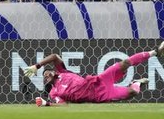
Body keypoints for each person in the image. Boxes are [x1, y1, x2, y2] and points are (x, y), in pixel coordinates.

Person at [23, 43, 164, 106]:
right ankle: (137, 82)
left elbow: (54, 56)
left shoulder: (62, 72)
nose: (46, 73)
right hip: (99, 95)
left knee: (125, 63)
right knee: (133, 92)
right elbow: (62, 106)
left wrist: (37, 66)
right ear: (46, 82)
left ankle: (155, 52)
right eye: (44, 75)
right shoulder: (55, 92)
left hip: (98, 81)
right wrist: (47, 103)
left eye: (47, 71)